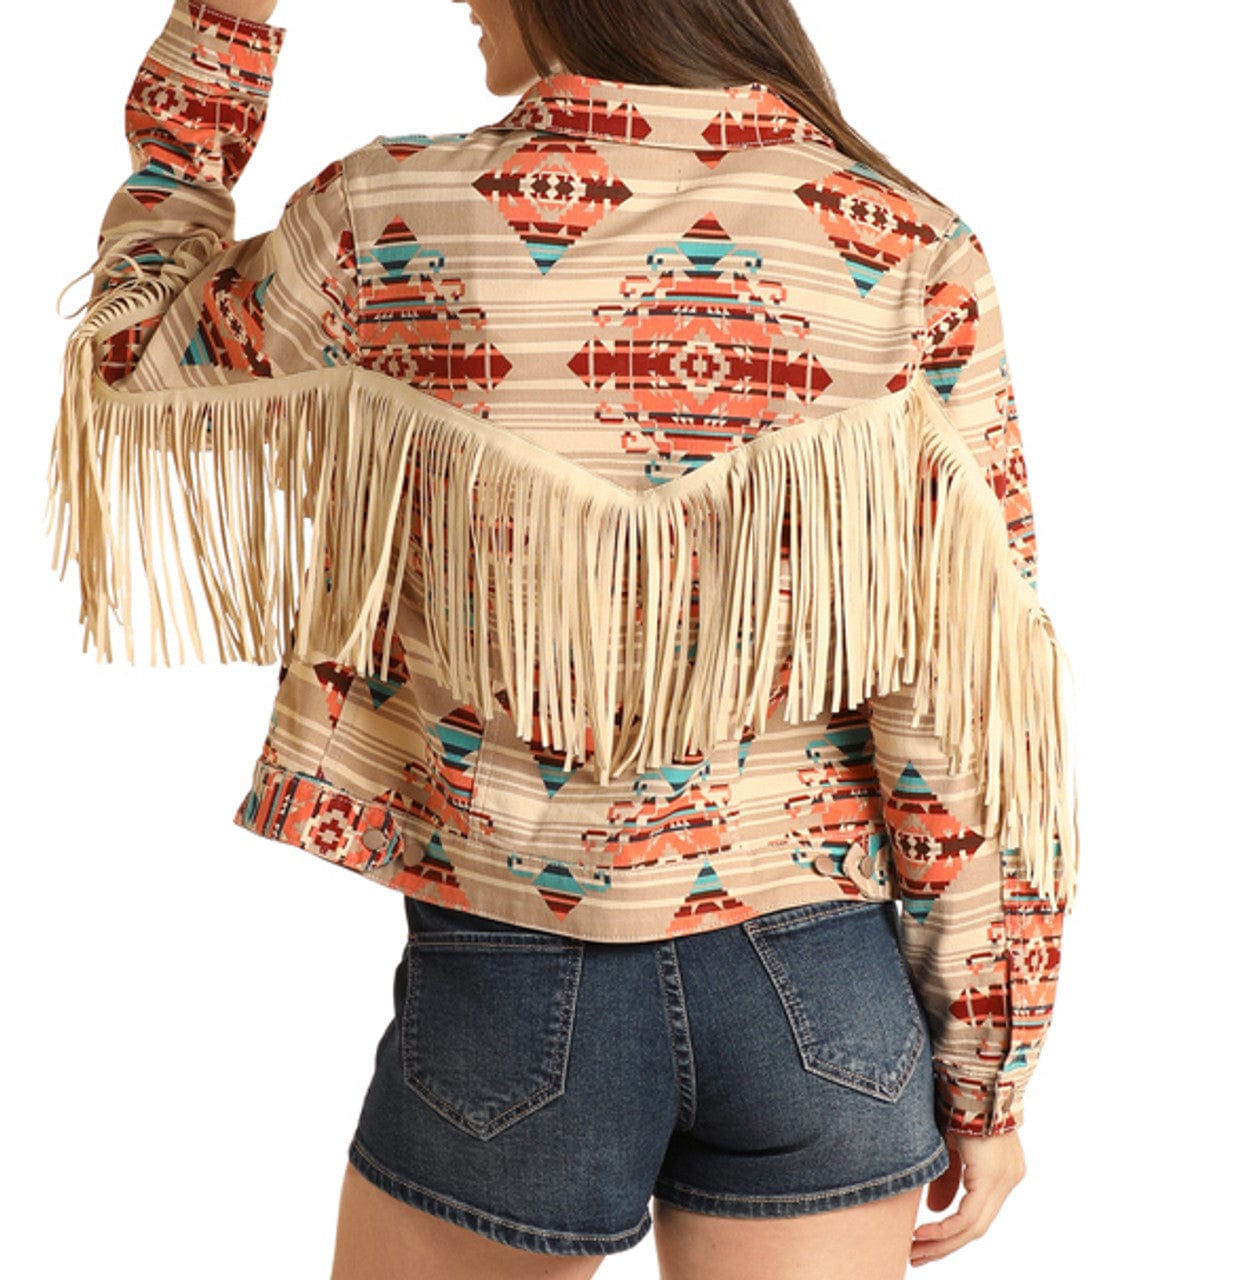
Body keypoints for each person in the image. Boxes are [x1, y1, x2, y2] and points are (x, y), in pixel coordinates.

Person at [47, 1, 1080, 1276]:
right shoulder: (908, 247)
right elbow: (966, 706)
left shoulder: (388, 215)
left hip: (512, 973)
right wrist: (987, 1068)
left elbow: (134, 349)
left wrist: (226, 26)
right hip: (820, 986)